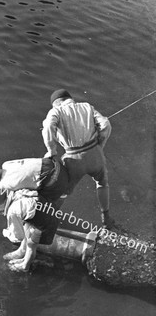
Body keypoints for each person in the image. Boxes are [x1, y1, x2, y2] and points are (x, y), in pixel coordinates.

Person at [42, 89, 114, 229]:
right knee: (102, 183)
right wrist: (100, 144)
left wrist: (52, 151)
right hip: (95, 154)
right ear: (70, 99)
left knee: (63, 191)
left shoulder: (56, 111)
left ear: (56, 103)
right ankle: (106, 219)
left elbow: (48, 128)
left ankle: (46, 221)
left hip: (74, 159)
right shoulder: (87, 106)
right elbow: (105, 124)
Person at [0, 185, 60, 272]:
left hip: (45, 224)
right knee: (25, 226)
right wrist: (3, 210)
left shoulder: (12, 212)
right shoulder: (15, 192)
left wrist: (7, 232)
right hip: (49, 209)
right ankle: (22, 250)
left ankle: (25, 265)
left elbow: (18, 237)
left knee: (31, 245)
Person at [0, 157, 69, 204]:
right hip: (56, 165)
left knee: (31, 203)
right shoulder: (6, 164)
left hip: (56, 181)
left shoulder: (3, 186)